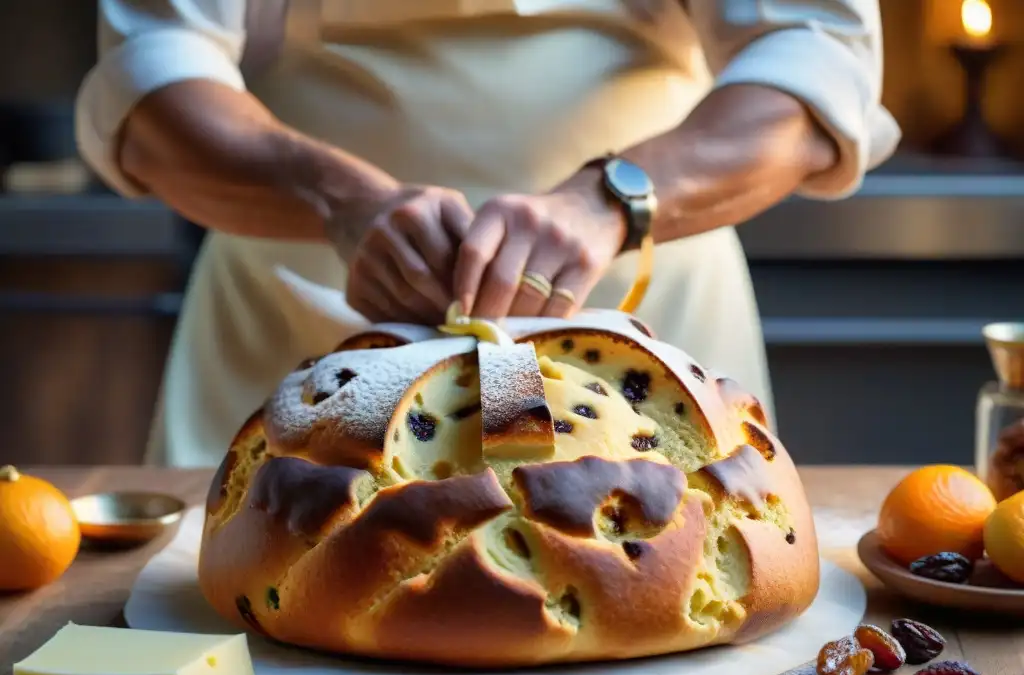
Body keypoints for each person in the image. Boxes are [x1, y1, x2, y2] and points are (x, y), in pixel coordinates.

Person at [76, 0, 900, 468]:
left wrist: (615, 197)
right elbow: (151, 79)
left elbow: (815, 62)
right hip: (301, 337)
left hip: (645, 341)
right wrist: (337, 199)